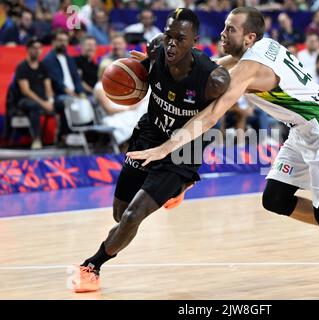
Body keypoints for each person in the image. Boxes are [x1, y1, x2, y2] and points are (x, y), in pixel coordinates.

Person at [129, 7, 319, 288]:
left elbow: (211, 115)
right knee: (275, 198)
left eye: (229, 29)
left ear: (249, 38)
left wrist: (166, 147)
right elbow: (213, 68)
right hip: (302, 131)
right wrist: (167, 65)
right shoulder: (259, 47)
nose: (222, 33)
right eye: (223, 27)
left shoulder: (251, 68)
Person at [72, 8, 230, 293]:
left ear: (194, 41)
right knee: (120, 216)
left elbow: (214, 123)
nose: (171, 43)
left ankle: (91, 266)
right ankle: (174, 189)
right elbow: (141, 76)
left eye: (180, 39)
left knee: (133, 216)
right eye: (169, 36)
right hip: (149, 135)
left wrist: (192, 162)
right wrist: (132, 76)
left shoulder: (213, 80)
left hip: (182, 151)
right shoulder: (156, 49)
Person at [14, 37, 54, 149]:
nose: (37, 50)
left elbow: (48, 87)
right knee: (34, 106)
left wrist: (50, 101)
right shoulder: (22, 67)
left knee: (61, 103)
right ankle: (36, 139)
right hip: (24, 101)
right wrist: (43, 103)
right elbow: (25, 91)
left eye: (39, 48)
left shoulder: (43, 67)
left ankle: (63, 137)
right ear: (28, 50)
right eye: (34, 48)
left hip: (42, 99)